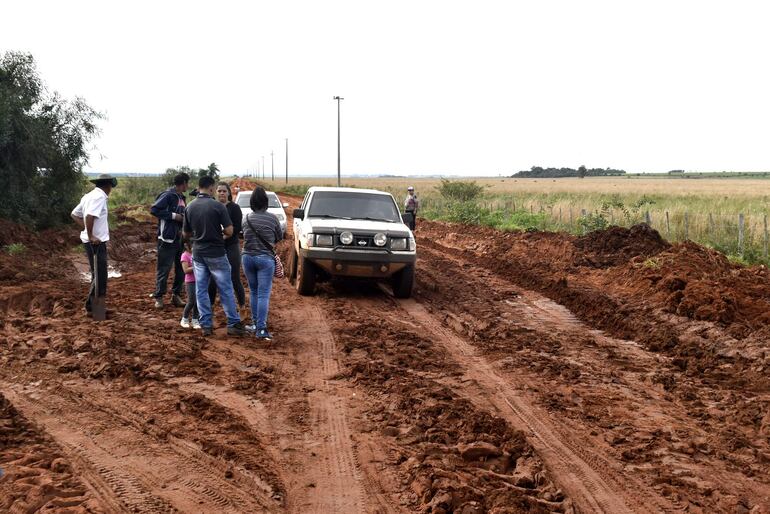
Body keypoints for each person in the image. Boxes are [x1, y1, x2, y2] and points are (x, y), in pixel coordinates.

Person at [182, 175, 248, 337]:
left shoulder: (189, 207)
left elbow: (185, 233)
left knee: (202, 289)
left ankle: (206, 325)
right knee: (225, 287)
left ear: (199, 187)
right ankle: (233, 323)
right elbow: (230, 231)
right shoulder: (218, 207)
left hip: (198, 254)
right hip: (216, 253)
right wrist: (218, 231)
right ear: (211, 188)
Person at [71, 174, 117, 318]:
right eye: (111, 186)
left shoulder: (88, 196)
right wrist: (91, 235)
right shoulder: (99, 197)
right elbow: (89, 216)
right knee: (100, 275)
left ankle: (94, 308)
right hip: (95, 242)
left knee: (96, 274)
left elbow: (74, 214)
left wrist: (86, 231)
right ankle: (95, 310)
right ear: (108, 185)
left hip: (92, 241)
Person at [241, 187, 283, 341]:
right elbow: (278, 237)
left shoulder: (246, 218)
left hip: (247, 257)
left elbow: (243, 234)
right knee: (263, 294)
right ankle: (261, 329)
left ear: (252, 202)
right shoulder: (272, 219)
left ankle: (253, 324)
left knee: (253, 291)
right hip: (265, 259)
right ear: (266, 202)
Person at [150, 172, 189, 309]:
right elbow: (154, 210)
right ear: (183, 183)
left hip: (179, 239)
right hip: (166, 239)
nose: (188, 186)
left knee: (180, 269)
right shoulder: (168, 195)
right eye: (187, 183)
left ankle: (176, 295)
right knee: (164, 269)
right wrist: (173, 216)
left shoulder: (182, 197)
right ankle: (159, 297)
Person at [208, 182, 246, 315]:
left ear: (229, 193)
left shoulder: (234, 208)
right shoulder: (213, 207)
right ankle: (211, 307)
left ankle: (242, 307)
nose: (222, 193)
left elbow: (237, 228)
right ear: (216, 193)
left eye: (224, 191)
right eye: (219, 191)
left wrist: (224, 237)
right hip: (216, 247)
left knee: (234, 277)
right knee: (212, 278)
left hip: (231, 246)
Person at [179, 240, 200, 329]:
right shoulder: (185, 255)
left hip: (198, 281)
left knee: (198, 302)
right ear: (186, 245)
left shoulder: (196, 254)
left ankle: (195, 319)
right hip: (190, 281)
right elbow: (186, 270)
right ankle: (185, 318)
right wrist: (197, 266)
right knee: (191, 301)